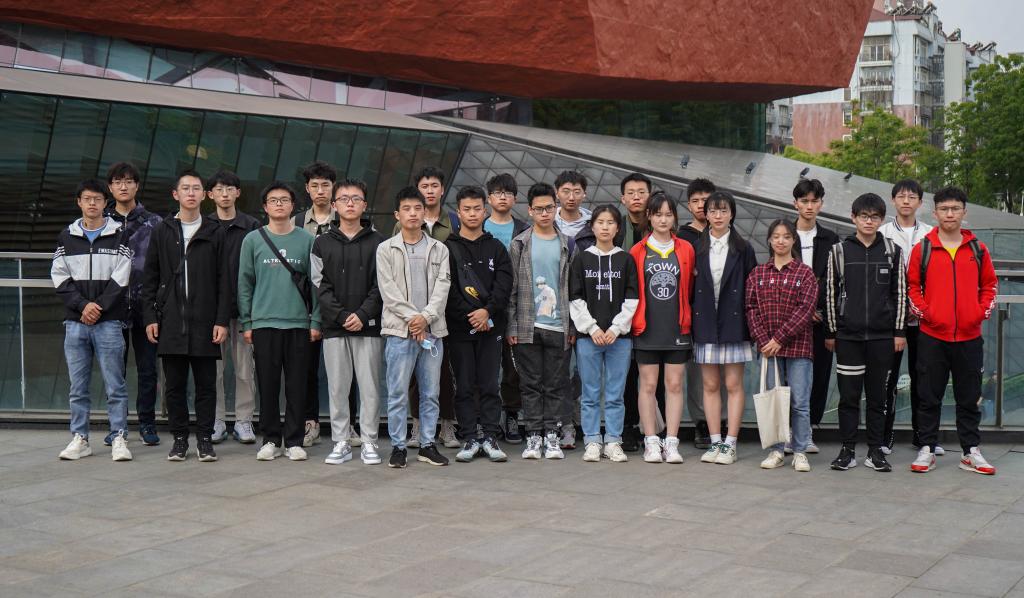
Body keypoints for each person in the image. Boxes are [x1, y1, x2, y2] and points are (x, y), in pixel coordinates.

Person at [908, 187, 998, 475]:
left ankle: (970, 451)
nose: (950, 214)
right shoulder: (922, 249)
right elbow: (912, 288)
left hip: (969, 337)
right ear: (935, 213)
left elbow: (990, 285)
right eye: (944, 209)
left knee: (968, 398)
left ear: (963, 212)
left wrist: (978, 313)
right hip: (932, 336)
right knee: (928, 396)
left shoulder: (978, 249)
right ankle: (927, 448)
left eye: (955, 208)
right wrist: (928, 315)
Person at [142, 169, 229, 462]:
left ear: (204, 195)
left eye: (196, 188)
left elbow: (224, 280)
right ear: (175, 194)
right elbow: (150, 278)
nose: (191, 193)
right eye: (186, 188)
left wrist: (221, 320)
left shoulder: (215, 231)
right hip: (171, 321)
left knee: (206, 386)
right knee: (174, 386)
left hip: (205, 322)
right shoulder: (162, 230)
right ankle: (179, 439)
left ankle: (204, 439)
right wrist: (150, 317)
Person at [238, 182, 321, 461]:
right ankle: (271, 439)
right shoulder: (252, 240)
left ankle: (294, 440)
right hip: (264, 323)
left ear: (292, 205)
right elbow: (245, 283)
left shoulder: (306, 240)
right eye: (273, 200)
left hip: (298, 324)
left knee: (297, 385)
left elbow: (316, 284)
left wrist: (316, 320)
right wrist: (247, 323)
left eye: (284, 200)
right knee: (268, 384)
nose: (279, 204)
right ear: (265, 207)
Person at [52, 179, 133, 462]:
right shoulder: (66, 237)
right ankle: (80, 438)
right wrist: (82, 306)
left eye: (97, 199)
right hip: (75, 323)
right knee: (77, 387)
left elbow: (122, 276)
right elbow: (59, 276)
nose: (92, 204)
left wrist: (98, 307)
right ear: (79, 202)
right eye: (87, 198)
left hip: (109, 322)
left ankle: (119, 436)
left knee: (115, 385)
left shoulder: (119, 234)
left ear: (104, 203)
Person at [825, 193, 906, 473]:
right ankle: (847, 450)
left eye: (874, 217)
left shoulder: (893, 251)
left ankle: (875, 451)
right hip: (848, 337)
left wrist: (899, 331)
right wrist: (832, 332)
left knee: (878, 398)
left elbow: (900, 293)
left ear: (881, 220)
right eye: (863, 216)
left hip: (883, 338)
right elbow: (830, 293)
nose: (869, 221)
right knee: (848, 397)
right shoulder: (839, 251)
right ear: (853, 218)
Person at [377, 186, 452, 469]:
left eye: (417, 209)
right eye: (406, 209)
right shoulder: (385, 249)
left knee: (430, 393)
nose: (412, 213)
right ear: (397, 214)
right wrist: (414, 319)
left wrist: (426, 318)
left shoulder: (439, 249)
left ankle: (427, 444)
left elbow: (443, 288)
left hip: (432, 332)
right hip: (399, 332)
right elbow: (388, 291)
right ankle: (398, 446)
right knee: (397, 393)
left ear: (424, 213)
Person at [312, 179, 385, 465]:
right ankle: (341, 441)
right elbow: (319, 286)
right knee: (338, 389)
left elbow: (382, 285)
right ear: (334, 205)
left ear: (365, 205)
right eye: (344, 199)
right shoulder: (321, 243)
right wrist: (342, 316)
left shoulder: (379, 242)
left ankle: (369, 441)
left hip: (369, 327)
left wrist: (363, 315)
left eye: (356, 198)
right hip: (334, 328)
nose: (350, 203)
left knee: (370, 388)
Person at [393, 167, 460, 449]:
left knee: (445, 372)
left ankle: (447, 424)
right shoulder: (401, 227)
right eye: (424, 186)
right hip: (409, 315)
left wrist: (431, 313)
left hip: (445, 310)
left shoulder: (453, 222)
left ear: (442, 189)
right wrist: (414, 317)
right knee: (412, 376)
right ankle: (417, 425)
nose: (430, 190)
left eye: (434, 185)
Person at [446, 186, 514, 463]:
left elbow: (504, 285)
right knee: (463, 385)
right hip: (460, 328)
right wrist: (472, 315)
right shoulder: (447, 248)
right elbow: (447, 290)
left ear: (484, 211)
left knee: (489, 383)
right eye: (467, 209)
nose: (472, 214)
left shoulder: (496, 247)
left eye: (477, 209)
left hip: (492, 327)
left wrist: (487, 312)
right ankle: (469, 437)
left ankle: (489, 435)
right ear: (458, 212)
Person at [508, 183, 574, 460]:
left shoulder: (567, 244)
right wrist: (511, 325)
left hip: (559, 325)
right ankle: (534, 436)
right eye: (539, 209)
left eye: (549, 208)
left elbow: (574, 289)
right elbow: (512, 288)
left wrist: (572, 327)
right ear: (530, 211)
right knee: (530, 384)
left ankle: (552, 435)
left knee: (556, 384)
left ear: (556, 208)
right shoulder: (519, 243)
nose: (545, 213)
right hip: (527, 325)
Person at [629, 192, 695, 464]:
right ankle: (651, 441)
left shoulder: (685, 249)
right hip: (647, 329)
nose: (663, 220)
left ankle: (672, 442)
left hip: (677, 328)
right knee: (647, 385)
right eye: (658, 214)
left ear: (675, 217)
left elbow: (689, 288)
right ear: (649, 216)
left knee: (675, 384)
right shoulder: (638, 251)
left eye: (668, 214)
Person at [746, 220, 817, 472]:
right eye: (776, 236)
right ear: (769, 240)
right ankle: (776, 451)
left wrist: (779, 339)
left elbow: (805, 310)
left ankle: (800, 451)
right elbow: (750, 309)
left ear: (793, 240)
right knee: (773, 402)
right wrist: (764, 340)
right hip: (768, 350)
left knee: (799, 402)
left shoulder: (805, 273)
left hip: (798, 348)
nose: (781, 241)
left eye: (786, 236)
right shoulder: (758, 274)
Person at [692, 191, 757, 465]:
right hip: (705, 321)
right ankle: (715, 441)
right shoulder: (696, 247)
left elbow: (752, 289)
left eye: (723, 210)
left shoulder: (743, 248)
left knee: (733, 384)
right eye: (713, 211)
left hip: (734, 323)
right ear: (706, 215)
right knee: (709, 384)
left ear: (732, 214)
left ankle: (731, 443)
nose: (718, 216)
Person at [570, 205, 639, 463]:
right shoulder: (582, 259)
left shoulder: (626, 260)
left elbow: (632, 298)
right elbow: (575, 297)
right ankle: (591, 440)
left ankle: (613, 440)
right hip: (589, 338)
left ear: (618, 228)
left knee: (615, 394)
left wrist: (615, 328)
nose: (605, 227)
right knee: (589, 393)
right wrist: (593, 328)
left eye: (611, 222)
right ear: (593, 226)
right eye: (600, 222)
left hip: (618, 339)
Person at [104, 162, 162, 447]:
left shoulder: (155, 223)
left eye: (128, 181)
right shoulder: (102, 222)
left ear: (137, 186)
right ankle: (117, 427)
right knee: (114, 371)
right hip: (110, 308)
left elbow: (164, 265)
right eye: (118, 181)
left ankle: (147, 423)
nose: (123, 186)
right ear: (110, 187)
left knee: (148, 369)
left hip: (146, 307)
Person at [878, 179, 938, 455]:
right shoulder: (883, 232)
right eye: (901, 196)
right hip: (891, 318)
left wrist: (923, 305)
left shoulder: (931, 234)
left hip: (923, 317)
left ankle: (923, 436)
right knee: (887, 379)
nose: (906, 201)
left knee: (923, 377)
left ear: (920, 203)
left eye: (911, 197)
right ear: (893, 200)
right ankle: (884, 436)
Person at [206, 170, 261, 445]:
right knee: (213, 370)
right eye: (219, 189)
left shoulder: (252, 226)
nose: (225, 194)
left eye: (229, 189)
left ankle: (243, 420)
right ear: (210, 195)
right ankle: (216, 420)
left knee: (244, 369)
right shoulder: (204, 226)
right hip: (212, 310)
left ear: (238, 193)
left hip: (244, 309)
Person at [792, 178, 839, 455]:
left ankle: (808, 429)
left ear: (821, 204)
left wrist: (818, 311)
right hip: (791, 321)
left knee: (819, 375)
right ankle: (790, 430)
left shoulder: (830, 238)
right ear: (795, 203)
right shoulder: (785, 233)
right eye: (804, 201)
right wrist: (802, 311)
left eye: (814, 201)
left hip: (821, 320)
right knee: (790, 378)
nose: (809, 206)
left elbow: (834, 281)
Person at [484, 173, 529, 444]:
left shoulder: (524, 229)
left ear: (515, 198)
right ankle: (484, 420)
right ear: (489, 198)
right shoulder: (478, 226)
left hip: (514, 308)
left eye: (508, 193)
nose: (503, 197)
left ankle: (511, 415)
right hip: (483, 308)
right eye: (498, 193)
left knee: (513, 368)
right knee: (484, 369)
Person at [295, 161, 336, 448]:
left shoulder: (346, 216)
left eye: (325, 185)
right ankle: (310, 422)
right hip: (304, 305)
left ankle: (348, 424)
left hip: (339, 305)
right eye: (315, 185)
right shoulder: (297, 222)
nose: (320, 190)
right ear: (307, 189)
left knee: (343, 369)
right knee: (306, 368)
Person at [676, 178, 716, 449]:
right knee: (696, 373)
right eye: (696, 200)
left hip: (720, 313)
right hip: (690, 312)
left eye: (706, 200)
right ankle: (701, 422)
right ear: (688, 205)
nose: (702, 205)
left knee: (721, 372)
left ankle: (721, 421)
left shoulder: (728, 234)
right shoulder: (682, 237)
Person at [554, 170, 592, 239]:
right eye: (566, 191)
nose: (571, 198)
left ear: (584, 194)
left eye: (577, 192)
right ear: (556, 193)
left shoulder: (594, 225)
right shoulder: (547, 221)